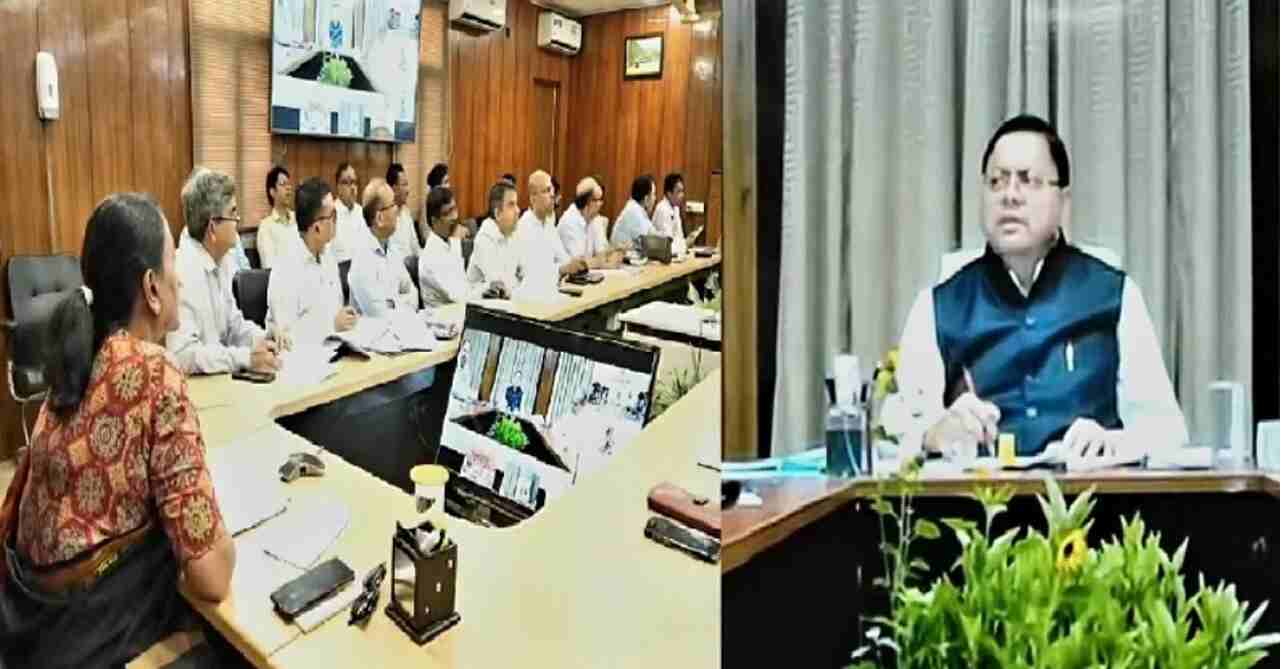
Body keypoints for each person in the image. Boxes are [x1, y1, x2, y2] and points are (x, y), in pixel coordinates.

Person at [0, 194, 235, 667]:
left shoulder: (78, 358)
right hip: (90, 637)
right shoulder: (155, 372)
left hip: (31, 629)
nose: (179, 277)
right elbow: (212, 576)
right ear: (151, 287)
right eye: (172, 263)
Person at [895, 113, 1188, 463]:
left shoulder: (1115, 294)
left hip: (1091, 488)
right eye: (997, 182)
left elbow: (1167, 433)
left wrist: (1114, 442)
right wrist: (935, 433)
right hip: (979, 495)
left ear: (1063, 201)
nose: (1010, 196)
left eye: (1028, 181)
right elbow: (896, 432)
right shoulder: (938, 305)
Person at [167, 167, 281, 375]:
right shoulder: (183, 271)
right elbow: (183, 355)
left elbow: (233, 326)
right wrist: (245, 358)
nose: (238, 220)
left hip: (220, 377)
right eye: (233, 213)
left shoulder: (223, 260)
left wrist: (265, 337)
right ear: (212, 227)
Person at [267, 177, 358, 347]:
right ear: (317, 227)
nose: (336, 220)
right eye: (333, 215)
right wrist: (332, 325)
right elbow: (286, 334)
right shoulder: (286, 265)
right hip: (302, 356)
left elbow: (335, 307)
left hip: (335, 346)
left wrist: (345, 317)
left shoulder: (327, 253)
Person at [348, 178, 418, 318]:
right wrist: (401, 302)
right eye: (392, 205)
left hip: (401, 326)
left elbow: (413, 293)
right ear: (379, 218)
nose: (397, 209)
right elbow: (379, 315)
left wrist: (393, 303)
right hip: (374, 331)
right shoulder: (362, 259)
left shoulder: (392, 246)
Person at [517, 170, 588, 281]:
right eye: (547, 190)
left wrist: (574, 263)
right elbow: (529, 272)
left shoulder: (548, 224)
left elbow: (563, 258)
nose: (552, 195)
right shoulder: (525, 227)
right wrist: (562, 269)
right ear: (533, 197)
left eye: (552, 190)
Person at [419, 186, 484, 307]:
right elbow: (459, 296)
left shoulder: (451, 242)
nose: (454, 216)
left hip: (460, 310)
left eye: (454, 209)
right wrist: (484, 290)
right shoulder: (431, 256)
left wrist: (486, 288)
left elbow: (465, 286)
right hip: (443, 316)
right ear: (434, 221)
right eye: (447, 213)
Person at [468, 181, 523, 297]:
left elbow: (526, 271)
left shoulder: (512, 233)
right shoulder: (484, 238)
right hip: (481, 305)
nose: (518, 210)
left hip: (506, 303)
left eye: (517, 204)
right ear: (497, 213)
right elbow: (501, 286)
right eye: (511, 205)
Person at [559, 177, 622, 267]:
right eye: (597, 200)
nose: (600, 204)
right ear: (586, 202)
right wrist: (602, 262)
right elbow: (578, 264)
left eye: (601, 200)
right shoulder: (569, 221)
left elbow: (602, 252)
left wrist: (615, 251)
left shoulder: (595, 218)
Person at [256, 165, 300, 269]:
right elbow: (269, 265)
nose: (288, 188)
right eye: (283, 184)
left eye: (289, 184)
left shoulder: (299, 219)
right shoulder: (266, 227)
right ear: (272, 192)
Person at [330, 162, 367, 264]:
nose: (352, 187)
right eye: (347, 182)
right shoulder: (330, 213)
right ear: (338, 187)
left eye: (354, 182)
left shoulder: (362, 212)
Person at [610, 174, 658, 249]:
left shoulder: (637, 209)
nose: (655, 198)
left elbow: (654, 234)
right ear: (646, 198)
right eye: (653, 194)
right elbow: (648, 244)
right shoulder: (634, 212)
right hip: (620, 255)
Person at [386, 163, 422, 259]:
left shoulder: (406, 213)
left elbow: (415, 247)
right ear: (394, 188)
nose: (408, 190)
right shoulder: (385, 217)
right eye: (404, 185)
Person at [653, 172, 688, 253]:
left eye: (682, 191)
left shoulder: (676, 208)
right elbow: (667, 245)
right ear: (669, 194)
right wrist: (684, 245)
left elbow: (680, 236)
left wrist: (684, 244)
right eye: (678, 192)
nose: (682, 195)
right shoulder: (662, 209)